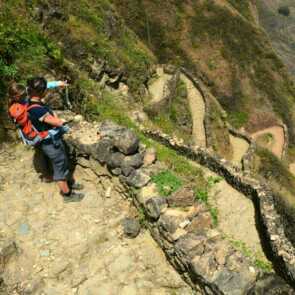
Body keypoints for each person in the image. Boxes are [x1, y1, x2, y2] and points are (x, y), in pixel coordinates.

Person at [26, 76, 84, 202]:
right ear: (40, 92)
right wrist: (67, 120)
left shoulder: (29, 98)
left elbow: (47, 85)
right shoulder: (36, 110)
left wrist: (58, 83)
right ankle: (67, 195)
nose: (47, 90)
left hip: (52, 140)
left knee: (63, 162)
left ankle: (69, 183)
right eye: (45, 89)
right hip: (50, 143)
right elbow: (57, 122)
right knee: (59, 166)